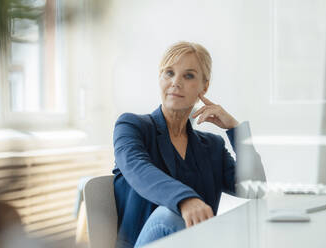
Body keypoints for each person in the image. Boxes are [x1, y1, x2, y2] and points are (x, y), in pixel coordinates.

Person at [112, 41, 266, 248]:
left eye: (189, 75)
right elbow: (138, 169)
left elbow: (255, 190)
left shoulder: (212, 146)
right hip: (147, 241)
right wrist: (185, 200)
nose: (176, 82)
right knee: (170, 216)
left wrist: (236, 130)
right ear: (160, 78)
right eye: (169, 73)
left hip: (199, 242)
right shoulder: (131, 126)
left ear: (205, 86)